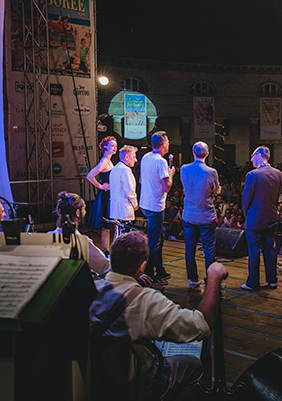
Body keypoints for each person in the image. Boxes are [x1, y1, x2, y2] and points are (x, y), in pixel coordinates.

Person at [89, 231, 228, 400]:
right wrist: (213, 277)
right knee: (194, 365)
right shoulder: (146, 300)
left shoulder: (90, 289)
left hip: (100, 381)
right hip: (140, 385)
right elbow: (202, 324)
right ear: (142, 266)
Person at [241, 146, 282, 291]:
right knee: (270, 250)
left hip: (255, 218)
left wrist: (246, 214)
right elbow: (277, 195)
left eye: (252, 155)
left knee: (254, 251)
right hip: (271, 216)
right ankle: (272, 281)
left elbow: (246, 198)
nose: (251, 158)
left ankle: (253, 283)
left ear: (259, 156)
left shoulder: (252, 175)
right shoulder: (278, 174)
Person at [181, 142, 220, 288]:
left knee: (189, 249)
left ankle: (193, 280)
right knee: (209, 248)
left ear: (193, 153)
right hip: (206, 216)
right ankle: (211, 280)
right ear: (207, 154)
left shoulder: (184, 169)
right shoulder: (211, 172)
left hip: (189, 215)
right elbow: (215, 191)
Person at [140, 131, 175, 284]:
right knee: (154, 241)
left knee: (158, 239)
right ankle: (149, 275)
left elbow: (141, 180)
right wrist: (171, 174)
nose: (168, 145)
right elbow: (166, 187)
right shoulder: (161, 162)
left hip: (145, 203)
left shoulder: (145, 157)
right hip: (155, 206)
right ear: (163, 145)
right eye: (167, 142)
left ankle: (159, 269)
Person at [49, 191, 109, 276]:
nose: (85, 212)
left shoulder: (49, 236)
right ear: (77, 213)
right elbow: (104, 267)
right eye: (84, 209)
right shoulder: (82, 242)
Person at [86, 136, 117, 255]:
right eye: (112, 146)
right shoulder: (104, 161)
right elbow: (89, 176)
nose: (114, 148)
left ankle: (108, 251)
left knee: (109, 225)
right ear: (105, 147)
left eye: (115, 145)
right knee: (106, 226)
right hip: (105, 196)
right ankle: (106, 252)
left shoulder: (109, 161)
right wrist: (100, 186)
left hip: (109, 195)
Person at [109, 145, 138, 239]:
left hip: (115, 209)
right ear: (127, 157)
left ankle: (115, 253)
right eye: (134, 157)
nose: (136, 160)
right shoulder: (126, 170)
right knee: (125, 238)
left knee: (118, 235)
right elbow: (130, 191)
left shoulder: (114, 169)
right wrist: (135, 204)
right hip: (124, 210)